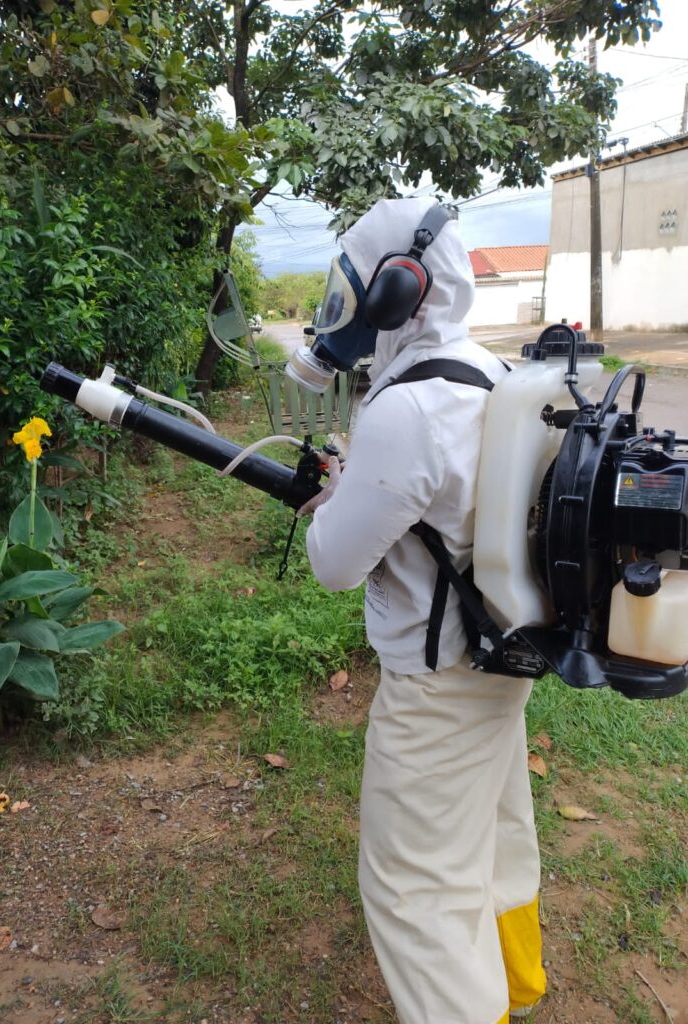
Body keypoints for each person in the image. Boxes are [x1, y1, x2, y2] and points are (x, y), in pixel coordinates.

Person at [298, 198, 547, 1024]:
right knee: (493, 833)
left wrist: (333, 505)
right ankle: (515, 982)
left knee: (413, 888)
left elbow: (335, 565)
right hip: (500, 662)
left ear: (397, 291)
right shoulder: (491, 375)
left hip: (435, 685)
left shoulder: (408, 408)